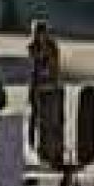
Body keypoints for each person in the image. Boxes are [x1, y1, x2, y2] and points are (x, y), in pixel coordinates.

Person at [27, 19, 62, 155]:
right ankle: (31, 141)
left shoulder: (52, 46)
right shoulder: (33, 46)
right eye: (38, 33)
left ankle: (49, 144)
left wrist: (54, 79)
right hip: (36, 84)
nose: (41, 35)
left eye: (43, 32)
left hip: (51, 84)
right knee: (35, 113)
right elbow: (33, 61)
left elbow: (55, 64)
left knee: (51, 116)